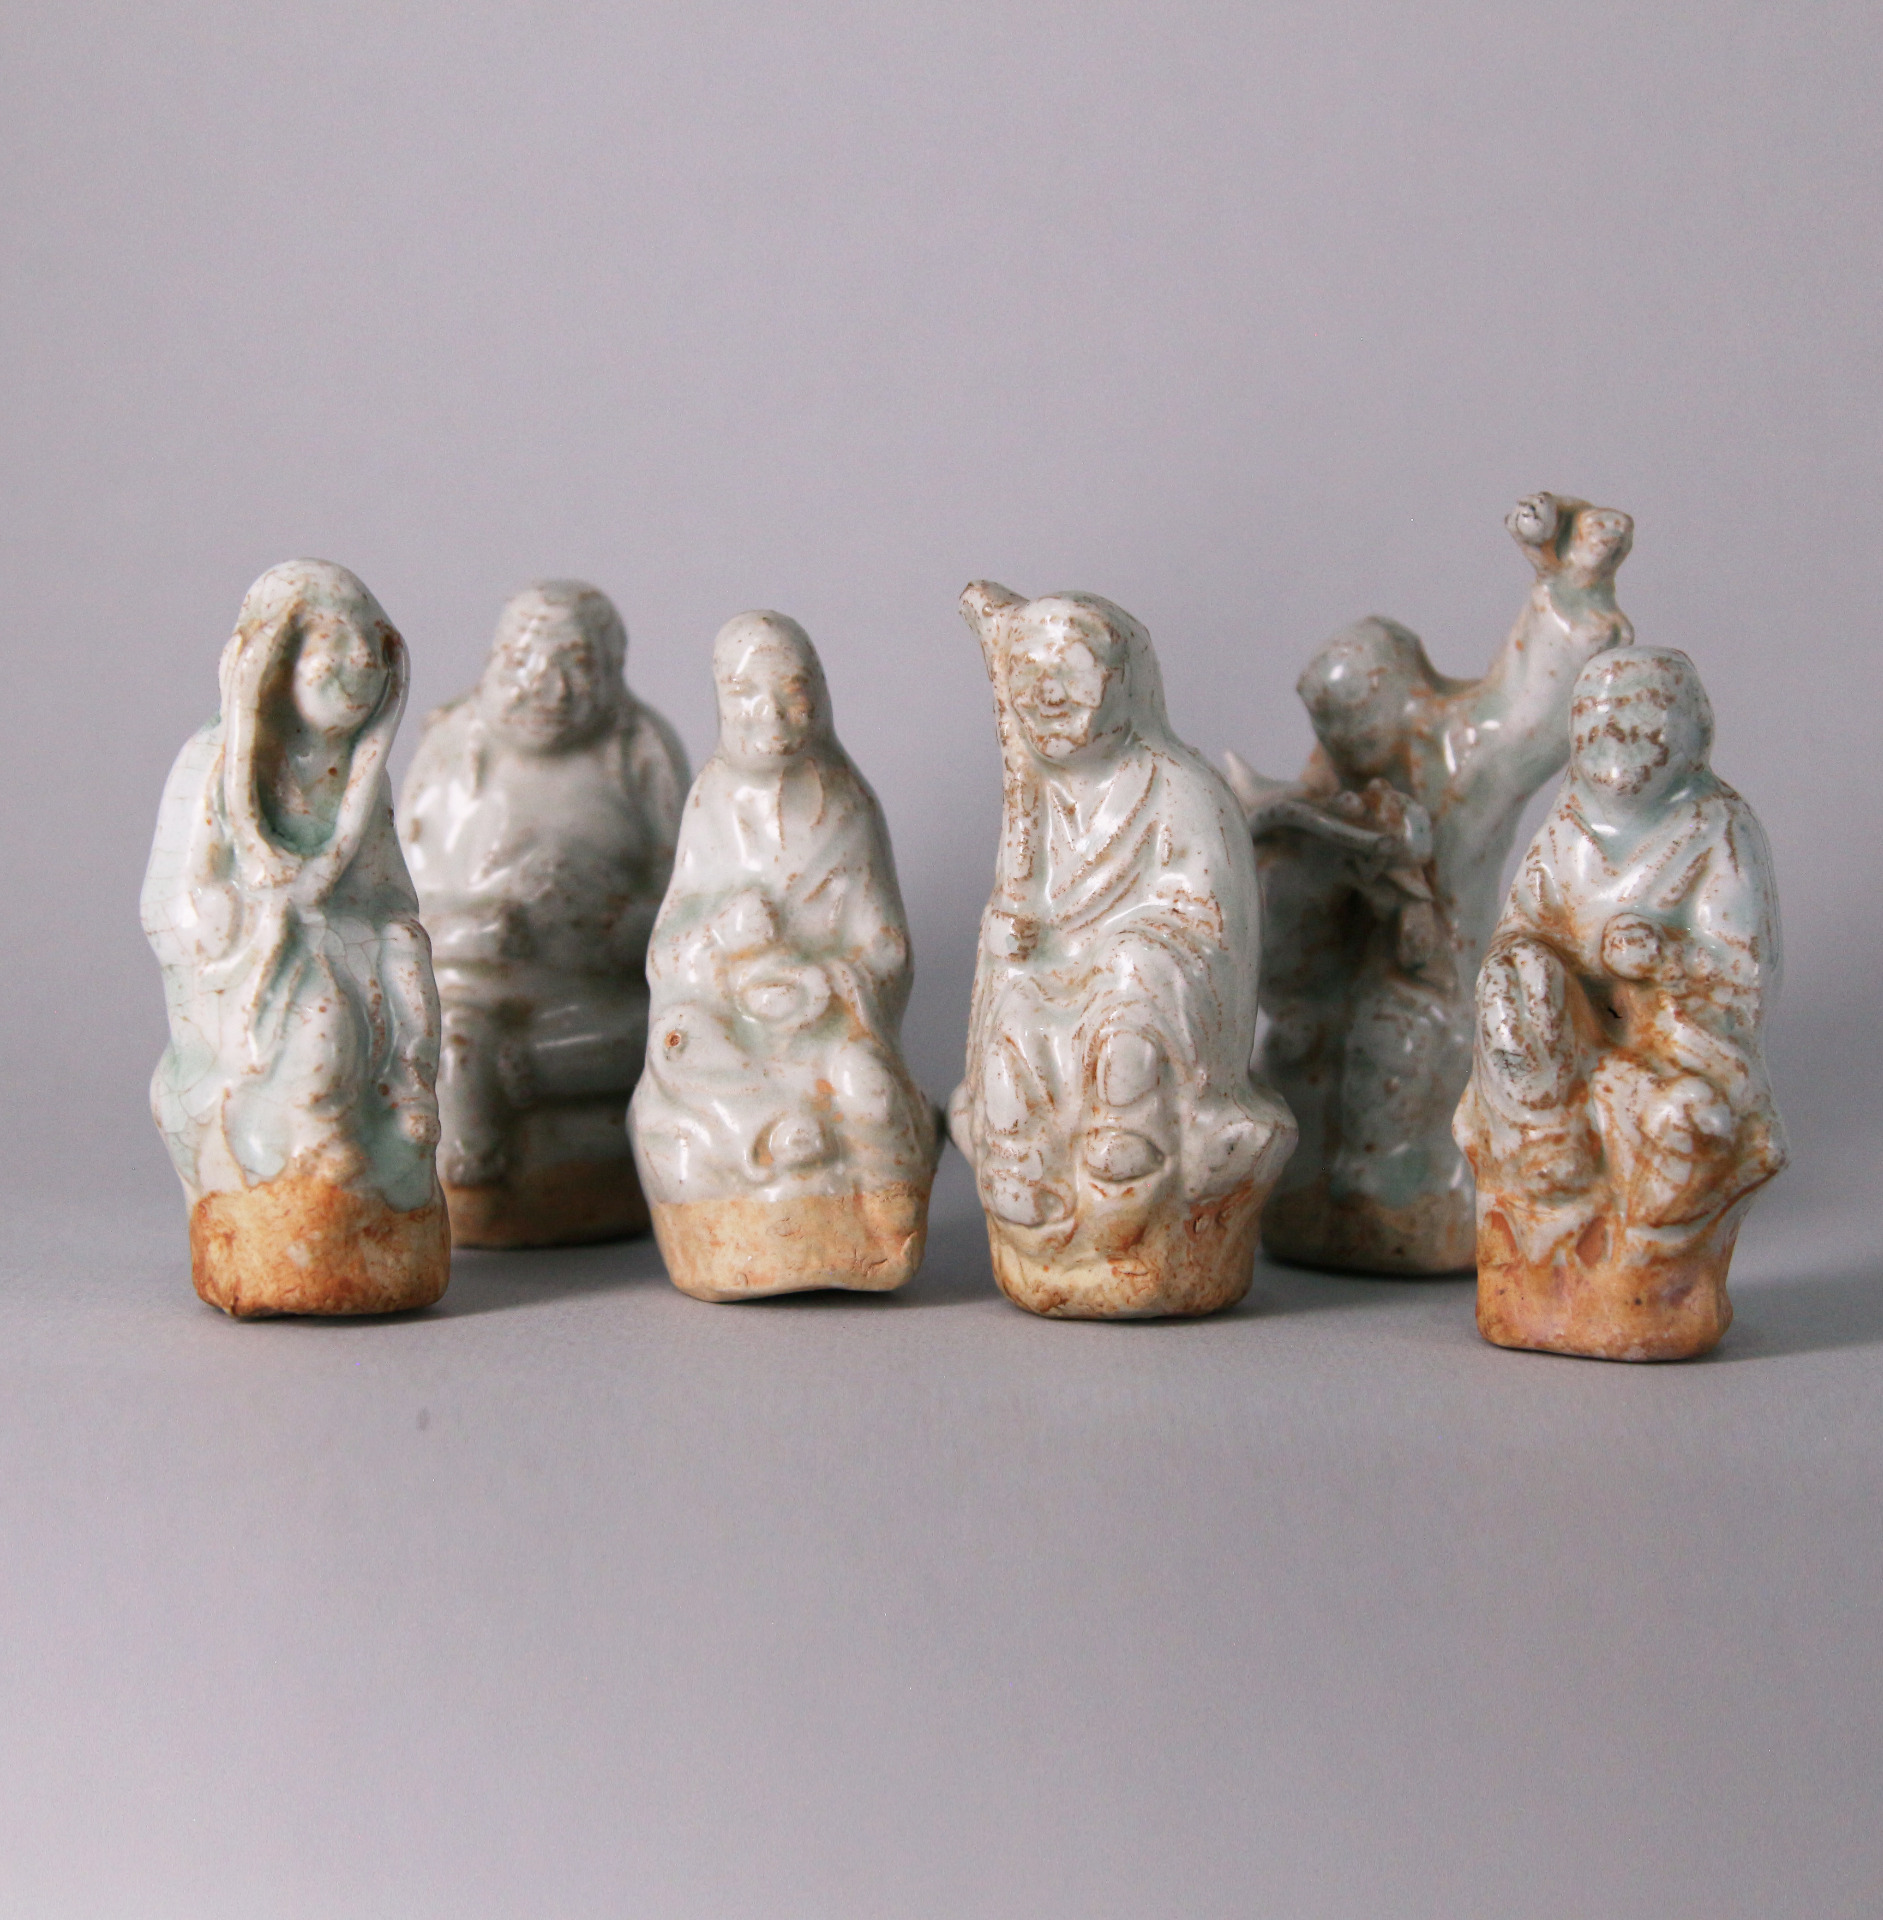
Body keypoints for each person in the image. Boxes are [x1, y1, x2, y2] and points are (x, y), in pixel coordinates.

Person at [1228, 492, 1635, 1274]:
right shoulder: (1336, 772)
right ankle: (1310, 1192)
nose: (1338, 740)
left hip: (1435, 979)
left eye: (1353, 717)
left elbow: (1531, 712)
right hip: (1328, 982)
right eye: (1325, 722)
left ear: (1401, 693)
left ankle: (1403, 1200)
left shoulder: (1459, 752)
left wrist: (1569, 588)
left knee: (1400, 1047)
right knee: (1302, 1053)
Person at [954, 582, 1295, 1317]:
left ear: (1125, 682)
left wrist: (1122, 950)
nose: (1047, 692)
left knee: (1134, 977)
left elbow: (1212, 929)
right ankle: (1022, 1167)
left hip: (1139, 998)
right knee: (1015, 1006)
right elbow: (1022, 926)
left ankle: (1127, 1150)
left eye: (1070, 669)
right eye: (1028, 674)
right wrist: (1006, 934)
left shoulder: (1181, 789)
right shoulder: (1037, 803)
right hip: (1057, 996)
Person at [1454, 647, 1787, 1359]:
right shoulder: (1569, 821)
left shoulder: (1717, 826)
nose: (1615, 737)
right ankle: (1547, 1154)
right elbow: (1521, 928)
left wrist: (1664, 958)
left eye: (1640, 717)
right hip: (1561, 1044)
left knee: (1686, 1120)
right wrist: (1537, 973)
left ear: (1691, 730)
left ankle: (1641, 1291)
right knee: (1512, 977)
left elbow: (1744, 970)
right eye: (1596, 720)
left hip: (1673, 1043)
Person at [142, 559, 447, 1315]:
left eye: (371, 648)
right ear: (272, 662)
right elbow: (171, 904)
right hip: (258, 963)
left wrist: (385, 930)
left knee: (407, 968)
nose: (358, 666)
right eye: (333, 647)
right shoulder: (214, 763)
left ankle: (401, 1119)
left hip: (347, 940)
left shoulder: (362, 783)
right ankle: (312, 1144)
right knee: (319, 1013)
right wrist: (243, 910)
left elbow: (389, 894)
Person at [630, 612, 938, 1298]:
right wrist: (721, 939)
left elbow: (885, 949)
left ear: (818, 697)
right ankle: (771, 1138)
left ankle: (877, 1236)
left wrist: (820, 985)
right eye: (745, 694)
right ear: (720, 700)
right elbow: (666, 956)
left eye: (790, 692)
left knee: (867, 1086)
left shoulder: (848, 807)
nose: (769, 715)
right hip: (732, 1026)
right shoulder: (709, 802)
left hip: (825, 1026)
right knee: (678, 1042)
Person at [400, 581, 689, 1244]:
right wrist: (483, 927)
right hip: (469, 992)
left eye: (576, 667)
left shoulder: (640, 748)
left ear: (612, 672)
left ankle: (528, 1092)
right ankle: (472, 1178)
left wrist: (614, 927)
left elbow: (690, 906)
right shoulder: (453, 747)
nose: (549, 690)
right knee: (450, 1040)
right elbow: (398, 905)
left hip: (603, 1002)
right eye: (524, 662)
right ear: (493, 661)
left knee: (680, 1035)